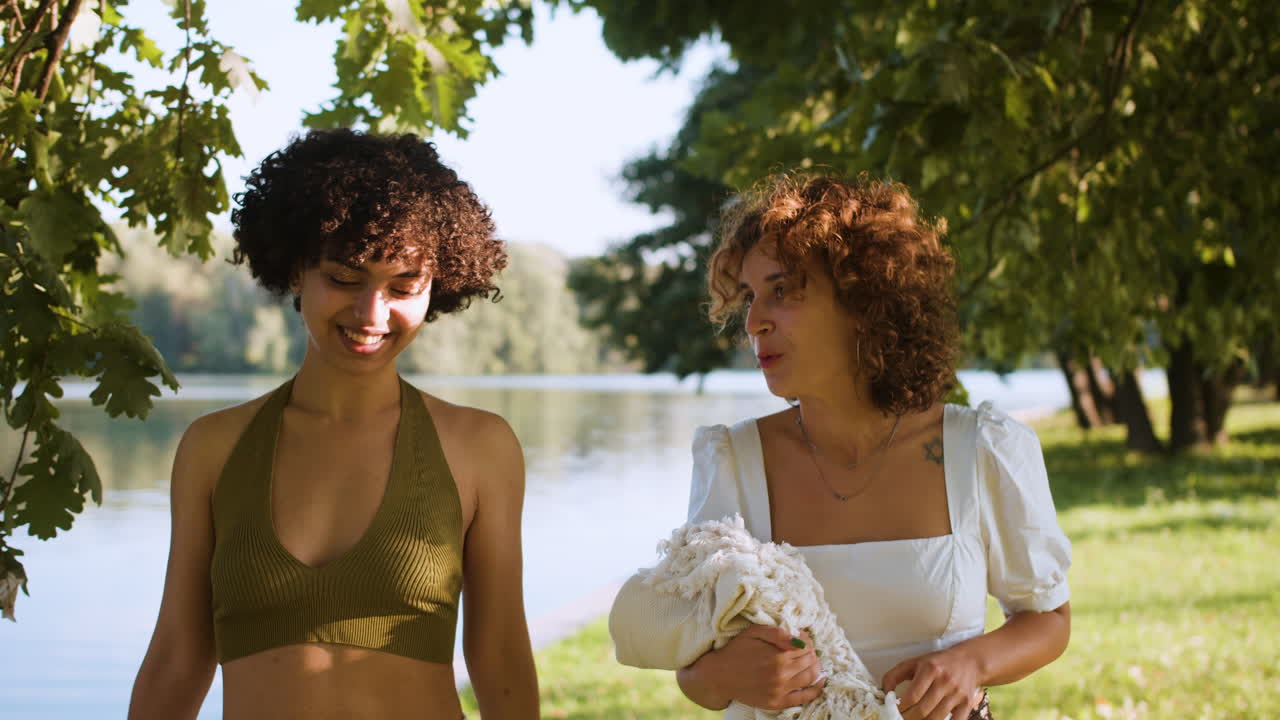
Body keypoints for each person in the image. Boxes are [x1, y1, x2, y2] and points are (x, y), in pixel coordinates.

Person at [613, 172, 1071, 720]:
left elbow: (1048, 619)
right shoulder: (733, 460)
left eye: (781, 291)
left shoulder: (982, 451)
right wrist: (723, 675)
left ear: (864, 297)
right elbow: (698, 671)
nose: (755, 322)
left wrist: (972, 664)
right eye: (751, 297)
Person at [128, 129, 539, 720]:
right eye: (345, 278)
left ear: (437, 287)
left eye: (403, 286)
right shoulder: (214, 447)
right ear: (297, 269)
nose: (372, 314)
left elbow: (500, 656)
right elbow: (176, 658)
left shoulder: (479, 447)